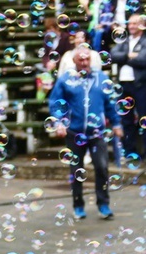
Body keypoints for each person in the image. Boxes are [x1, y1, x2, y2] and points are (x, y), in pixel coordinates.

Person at [48, 48, 123, 220]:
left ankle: (103, 204)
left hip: (97, 133)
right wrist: (59, 122)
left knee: (102, 168)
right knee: (76, 170)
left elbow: (110, 104)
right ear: (74, 61)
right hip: (74, 132)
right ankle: (78, 205)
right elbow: (56, 103)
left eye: (87, 59)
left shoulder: (101, 79)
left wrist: (117, 123)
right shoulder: (65, 80)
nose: (84, 62)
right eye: (80, 60)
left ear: (91, 60)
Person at [110, 13, 146, 158]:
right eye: (129, 23)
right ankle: (130, 151)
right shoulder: (124, 41)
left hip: (140, 85)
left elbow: (143, 60)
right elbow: (113, 55)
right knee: (126, 120)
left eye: (134, 23)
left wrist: (124, 58)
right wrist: (129, 56)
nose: (131, 26)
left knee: (144, 119)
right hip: (123, 85)